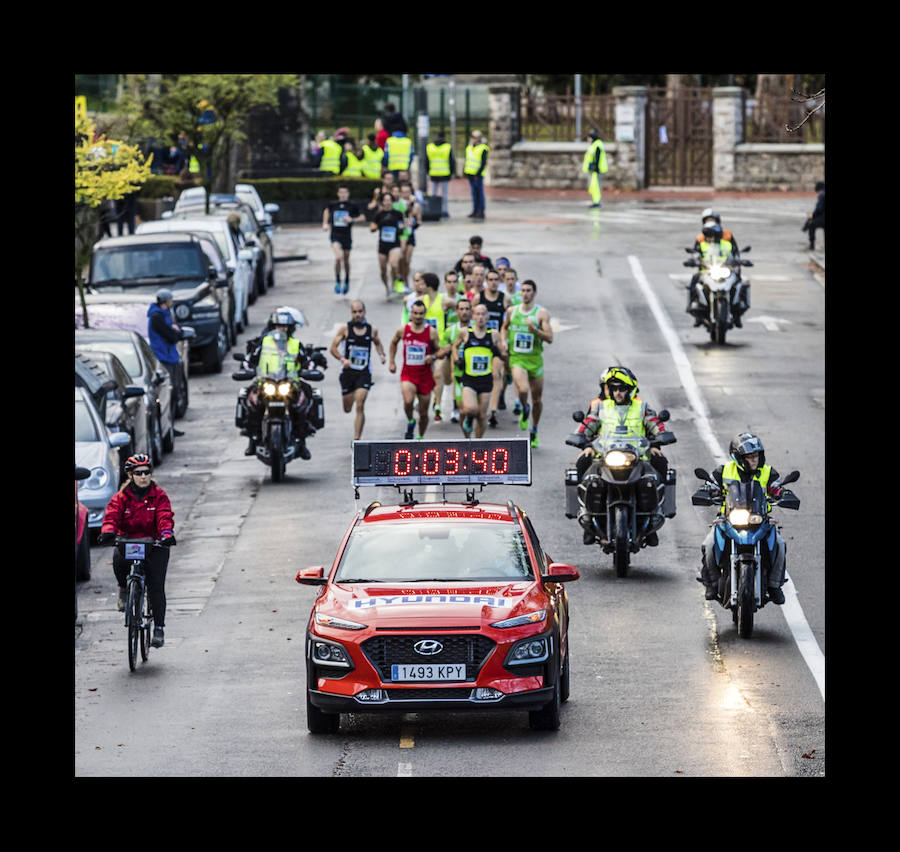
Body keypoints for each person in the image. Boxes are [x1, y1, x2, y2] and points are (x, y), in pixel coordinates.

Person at [572, 367, 670, 546]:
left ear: (630, 390)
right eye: (614, 388)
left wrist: (657, 442)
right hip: (605, 457)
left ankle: (655, 514)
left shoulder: (642, 407)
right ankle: (587, 518)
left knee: (661, 462)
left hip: (637, 457)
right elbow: (588, 425)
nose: (618, 393)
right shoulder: (601, 407)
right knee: (582, 463)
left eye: (622, 389)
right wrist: (584, 443)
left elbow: (655, 424)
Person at [697, 433, 789, 605]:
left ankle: (774, 585)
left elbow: (776, 487)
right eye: (750, 457)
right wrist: (707, 490)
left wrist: (784, 493)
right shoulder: (724, 470)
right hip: (728, 520)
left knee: (780, 544)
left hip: (759, 519)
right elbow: (710, 485)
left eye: (756, 456)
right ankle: (712, 583)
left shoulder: (767, 472)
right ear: (738, 458)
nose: (755, 460)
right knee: (708, 545)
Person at [97, 453, 175, 648]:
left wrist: (166, 533)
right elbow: (112, 516)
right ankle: (124, 589)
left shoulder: (159, 495)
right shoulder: (121, 498)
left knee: (156, 586)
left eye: (147, 472)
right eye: (138, 473)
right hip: (130, 542)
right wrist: (108, 531)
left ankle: (158, 628)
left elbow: (165, 515)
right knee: (118, 558)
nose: (143, 476)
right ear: (130, 475)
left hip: (154, 544)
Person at [239, 307, 316, 460]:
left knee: (303, 404)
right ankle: (253, 440)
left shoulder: (295, 344)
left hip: (290, 384)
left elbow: (307, 362)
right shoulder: (264, 342)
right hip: (266, 382)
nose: (282, 329)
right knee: (251, 403)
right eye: (279, 326)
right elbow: (250, 359)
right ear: (273, 326)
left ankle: (301, 442)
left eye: (285, 326)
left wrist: (311, 368)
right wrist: (245, 367)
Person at [501, 279, 552, 448]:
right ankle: (524, 409)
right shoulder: (512, 311)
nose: (525, 293)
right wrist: (503, 342)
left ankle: (534, 429)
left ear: (534, 293)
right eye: (522, 290)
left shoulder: (541, 313)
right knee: (522, 389)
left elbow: (550, 338)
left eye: (529, 290)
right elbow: (504, 327)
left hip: (535, 360)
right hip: (518, 359)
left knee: (537, 399)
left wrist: (535, 330)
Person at [389, 299, 448, 439]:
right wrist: (392, 362)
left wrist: (432, 357)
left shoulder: (431, 332)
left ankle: (420, 437)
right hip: (408, 374)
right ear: (411, 314)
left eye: (421, 313)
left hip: (425, 376)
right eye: (415, 313)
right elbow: (393, 343)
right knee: (408, 401)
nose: (418, 316)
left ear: (424, 314)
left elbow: (439, 352)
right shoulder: (403, 330)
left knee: (423, 413)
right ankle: (410, 420)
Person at [329, 300, 386, 440]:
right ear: (351, 313)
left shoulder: (372, 329)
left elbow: (378, 343)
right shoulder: (345, 329)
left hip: (364, 372)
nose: (358, 315)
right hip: (348, 373)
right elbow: (333, 348)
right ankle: (350, 397)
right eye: (355, 312)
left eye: (360, 311)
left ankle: (357, 440)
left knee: (360, 404)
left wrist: (381, 355)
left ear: (364, 312)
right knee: (347, 408)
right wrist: (343, 359)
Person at [452, 302, 507, 438]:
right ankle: (467, 434)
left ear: (487, 316)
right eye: (478, 314)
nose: (481, 317)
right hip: (469, 378)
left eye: (483, 314)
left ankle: (477, 443)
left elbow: (504, 355)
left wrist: (500, 353)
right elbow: (454, 346)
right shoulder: (466, 332)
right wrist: (456, 359)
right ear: (473, 316)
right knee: (470, 409)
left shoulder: (493, 334)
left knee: (482, 416)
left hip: (485, 379)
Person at [687, 220, 749, 328]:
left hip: (725, 271)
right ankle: (695, 311)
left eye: (711, 235)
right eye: (707, 235)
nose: (709, 237)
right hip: (706, 272)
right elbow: (696, 255)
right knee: (693, 283)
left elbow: (734, 255)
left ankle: (738, 314)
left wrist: (740, 261)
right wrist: (693, 261)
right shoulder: (702, 244)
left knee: (741, 283)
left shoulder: (726, 245)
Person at [147, 288, 188, 436]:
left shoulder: (165, 314)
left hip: (170, 355)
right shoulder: (157, 317)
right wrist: (175, 331)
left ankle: (170, 426)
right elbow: (171, 336)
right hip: (164, 357)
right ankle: (168, 427)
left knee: (175, 391)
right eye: (170, 300)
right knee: (170, 390)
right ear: (165, 301)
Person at [473, 268, 511, 426]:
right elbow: (471, 317)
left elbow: (510, 321)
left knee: (496, 374)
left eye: (497, 279)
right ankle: (478, 405)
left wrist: (504, 341)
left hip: (497, 340)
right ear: (486, 281)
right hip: (480, 339)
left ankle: (493, 411)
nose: (494, 282)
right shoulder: (479, 297)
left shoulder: (505, 298)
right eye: (491, 279)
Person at [323, 184, 366, 295]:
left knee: (346, 260)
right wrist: (325, 223)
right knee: (338, 257)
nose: (343, 195)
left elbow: (363, 217)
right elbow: (326, 211)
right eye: (341, 192)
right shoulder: (333, 204)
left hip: (346, 236)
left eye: (345, 192)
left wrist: (352, 219)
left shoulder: (352, 205)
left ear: (348, 194)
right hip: (335, 235)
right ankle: (338, 281)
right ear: (338, 194)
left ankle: (346, 280)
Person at [439, 296, 472, 424]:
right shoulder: (450, 331)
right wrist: (445, 350)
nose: (464, 312)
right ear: (457, 311)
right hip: (457, 370)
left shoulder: (477, 329)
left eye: (467, 309)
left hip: (475, 372)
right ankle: (456, 408)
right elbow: (440, 352)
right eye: (461, 309)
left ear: (471, 311)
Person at [370, 191, 407, 298]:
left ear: (392, 202)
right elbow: (372, 228)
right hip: (382, 245)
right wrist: (378, 226)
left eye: (389, 200)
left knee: (394, 264)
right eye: (385, 200)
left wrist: (403, 228)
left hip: (394, 243)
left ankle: (395, 282)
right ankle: (387, 287)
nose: (387, 202)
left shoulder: (398, 213)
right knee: (383, 270)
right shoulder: (378, 214)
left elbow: (403, 226)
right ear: (382, 202)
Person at [425, 132, 454, 218]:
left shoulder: (430, 147)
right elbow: (451, 161)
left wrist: (428, 172)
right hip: (445, 173)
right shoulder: (447, 147)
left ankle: (433, 210)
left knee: (434, 194)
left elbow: (426, 161)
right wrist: (451, 173)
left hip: (433, 173)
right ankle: (444, 211)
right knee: (444, 194)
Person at [464, 131, 489, 219]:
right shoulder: (469, 147)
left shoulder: (483, 148)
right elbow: (467, 160)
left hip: (478, 175)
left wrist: (477, 174)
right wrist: (465, 172)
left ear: (478, 138)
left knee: (480, 193)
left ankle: (481, 211)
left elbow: (483, 163)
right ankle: (475, 210)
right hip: (470, 174)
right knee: (474, 194)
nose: (472, 139)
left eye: (474, 137)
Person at [582, 130, 609, 208]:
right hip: (595, 170)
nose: (588, 139)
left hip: (597, 170)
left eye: (589, 138)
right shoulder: (595, 144)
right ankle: (595, 201)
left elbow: (597, 158)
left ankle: (597, 202)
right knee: (594, 186)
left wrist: (595, 168)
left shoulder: (597, 145)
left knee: (596, 186)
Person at [804, 181, 825, 250]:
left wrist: (809, 218)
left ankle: (812, 245)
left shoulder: (822, 195)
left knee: (811, 224)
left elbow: (818, 210)